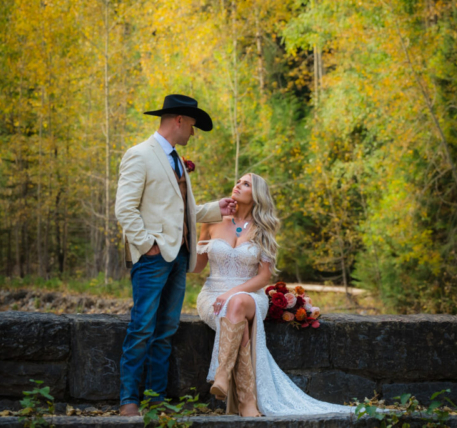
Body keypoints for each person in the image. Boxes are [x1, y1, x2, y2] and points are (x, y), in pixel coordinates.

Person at [115, 94, 237, 417]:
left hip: (180, 257)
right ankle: (129, 401)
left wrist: (215, 209)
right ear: (179, 120)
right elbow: (124, 209)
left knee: (166, 330)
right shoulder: (139, 155)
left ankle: (154, 399)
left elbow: (180, 211)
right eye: (193, 126)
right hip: (153, 259)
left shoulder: (177, 161)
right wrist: (147, 245)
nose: (193, 134)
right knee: (142, 327)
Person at [195, 173, 354, 416]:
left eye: (246, 183)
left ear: (256, 194)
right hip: (212, 295)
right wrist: (183, 238)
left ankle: (222, 375)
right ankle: (247, 401)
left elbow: (263, 278)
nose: (238, 185)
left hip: (250, 294)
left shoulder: (263, 228)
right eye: (238, 181)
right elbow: (196, 267)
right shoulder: (212, 221)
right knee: (241, 325)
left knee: (237, 302)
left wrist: (230, 293)